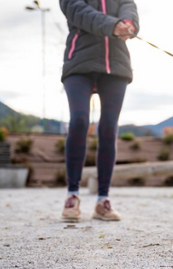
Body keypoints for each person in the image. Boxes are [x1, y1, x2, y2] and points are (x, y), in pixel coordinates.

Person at [59, 0, 139, 221]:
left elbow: (128, 7)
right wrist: (113, 25)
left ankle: (103, 200)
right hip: (79, 63)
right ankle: (72, 195)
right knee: (79, 121)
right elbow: (79, 12)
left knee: (109, 128)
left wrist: (128, 24)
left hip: (116, 66)